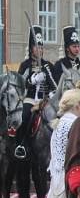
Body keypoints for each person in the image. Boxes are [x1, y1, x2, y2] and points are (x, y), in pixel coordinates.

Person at [14, 25, 58, 159]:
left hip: (45, 101)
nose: (39, 50)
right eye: (36, 47)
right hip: (30, 99)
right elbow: (20, 84)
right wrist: (33, 79)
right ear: (31, 48)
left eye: (41, 47)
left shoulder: (48, 65)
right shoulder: (25, 65)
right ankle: (21, 144)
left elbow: (53, 84)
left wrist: (52, 94)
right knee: (24, 116)